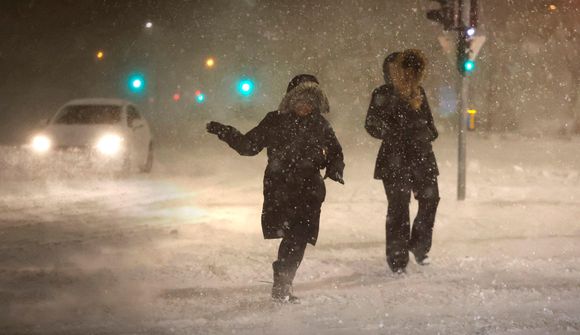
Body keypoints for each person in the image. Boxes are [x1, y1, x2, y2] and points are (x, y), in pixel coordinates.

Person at [207, 74, 345, 302]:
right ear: (290, 100)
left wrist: (335, 168)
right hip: (280, 187)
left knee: (298, 238)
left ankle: (283, 281)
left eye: (311, 101)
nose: (305, 106)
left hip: (310, 189)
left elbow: (335, 153)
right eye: (301, 100)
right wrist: (225, 131)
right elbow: (248, 146)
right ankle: (282, 281)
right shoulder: (275, 120)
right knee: (292, 235)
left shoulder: (320, 124)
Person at [364, 49, 440, 274]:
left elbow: (431, 126)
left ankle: (419, 246)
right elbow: (371, 124)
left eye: (411, 70)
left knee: (430, 199)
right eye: (402, 70)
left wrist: (424, 133)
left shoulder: (419, 93)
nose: (407, 74)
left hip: (422, 157)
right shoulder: (382, 94)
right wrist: (395, 133)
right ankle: (398, 260)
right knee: (398, 208)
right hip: (394, 159)